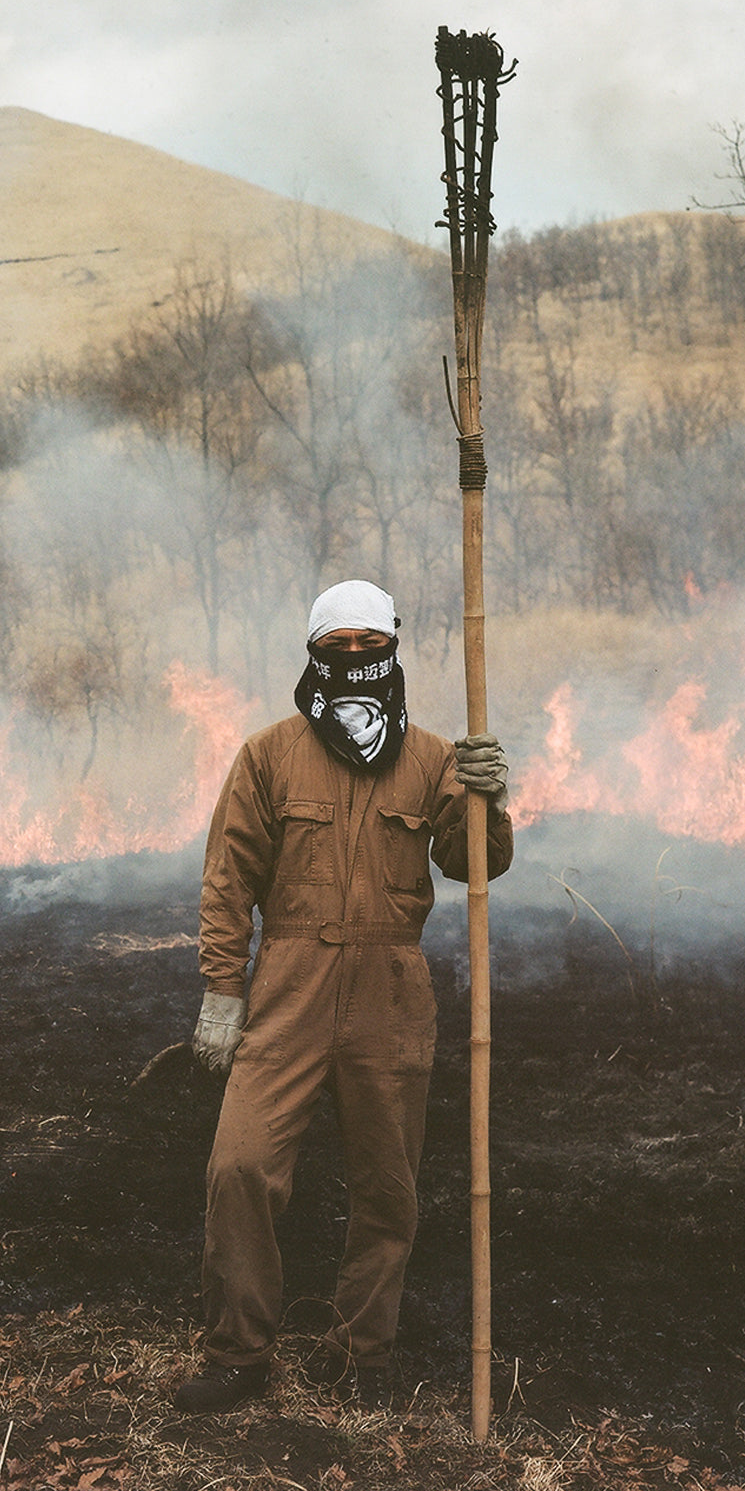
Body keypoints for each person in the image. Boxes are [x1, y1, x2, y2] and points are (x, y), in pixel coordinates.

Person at [172, 579, 512, 1414]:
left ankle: (363, 1354)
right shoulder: (269, 755)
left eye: (370, 646)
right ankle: (240, 1353)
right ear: (314, 653)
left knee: (387, 1188)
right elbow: (228, 879)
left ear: (392, 646)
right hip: (289, 986)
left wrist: (487, 799)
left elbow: (474, 864)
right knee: (240, 1165)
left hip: (390, 991)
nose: (355, 659)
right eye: (338, 648)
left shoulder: (432, 758)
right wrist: (222, 988)